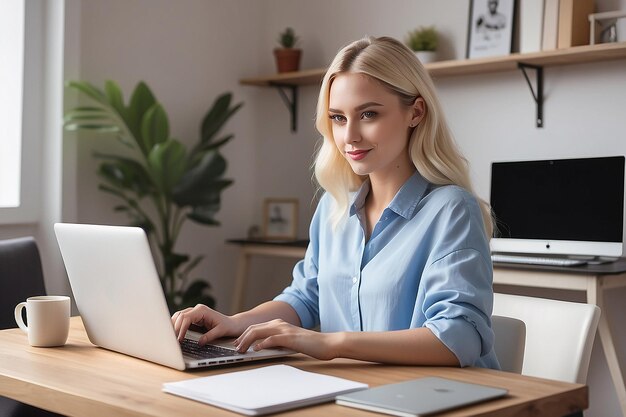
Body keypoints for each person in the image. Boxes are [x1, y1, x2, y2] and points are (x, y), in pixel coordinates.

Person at [172, 36, 499, 369]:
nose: (349, 136)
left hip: (439, 396)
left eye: (368, 114)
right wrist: (235, 321)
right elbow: (305, 297)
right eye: (338, 118)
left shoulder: (452, 210)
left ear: (415, 112)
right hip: (357, 391)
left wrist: (331, 344)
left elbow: (458, 337)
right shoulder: (334, 206)